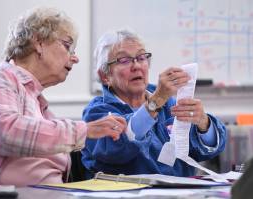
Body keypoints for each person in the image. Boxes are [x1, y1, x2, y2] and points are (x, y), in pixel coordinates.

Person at [0, 7, 127, 191]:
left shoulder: (38, 102)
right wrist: (84, 130)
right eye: (67, 46)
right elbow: (9, 133)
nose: (75, 58)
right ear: (38, 42)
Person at [81, 28, 226, 179]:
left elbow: (207, 149)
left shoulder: (170, 104)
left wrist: (203, 123)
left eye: (141, 57)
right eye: (124, 60)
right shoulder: (97, 112)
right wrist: (155, 102)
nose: (136, 66)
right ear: (105, 76)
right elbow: (116, 150)